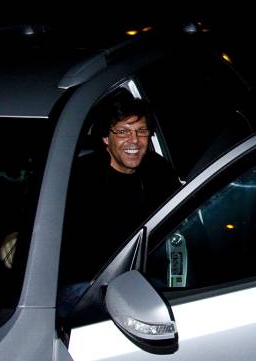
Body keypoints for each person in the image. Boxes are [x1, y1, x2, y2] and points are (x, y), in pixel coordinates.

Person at [58, 89, 181, 313]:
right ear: (106, 137)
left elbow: (181, 223)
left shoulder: (159, 172)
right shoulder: (81, 177)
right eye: (123, 131)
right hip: (88, 286)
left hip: (146, 282)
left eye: (141, 131)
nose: (134, 140)